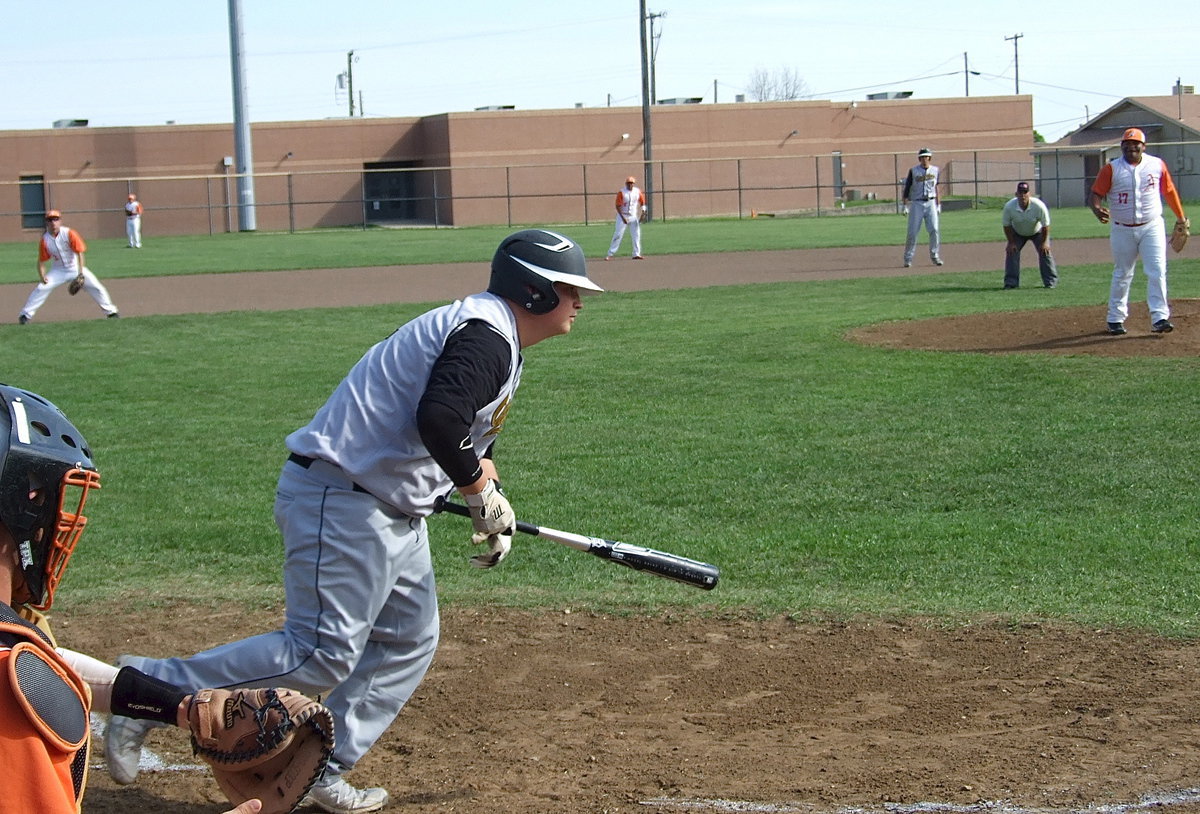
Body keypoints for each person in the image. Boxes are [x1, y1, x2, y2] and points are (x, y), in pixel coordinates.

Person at [106, 228, 604, 813]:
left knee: (407, 640)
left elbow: (468, 439)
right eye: (569, 288)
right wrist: (475, 491)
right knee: (320, 653)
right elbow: (440, 419)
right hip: (344, 500)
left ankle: (320, 765)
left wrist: (490, 497)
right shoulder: (485, 337)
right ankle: (145, 691)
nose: (579, 300)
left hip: (387, 508)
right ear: (534, 290)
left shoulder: (494, 337)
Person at [0, 382, 263, 814]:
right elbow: (25, 675)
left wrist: (179, 706)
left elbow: (46, 664)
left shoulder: (16, 656)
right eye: (44, 499)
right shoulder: (8, 691)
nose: (53, 524)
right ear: (16, 511)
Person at [1090, 127, 1190, 335]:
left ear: (1144, 146)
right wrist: (1097, 209)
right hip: (1122, 228)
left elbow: (1169, 191)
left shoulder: (1156, 164)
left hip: (1151, 226)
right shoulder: (1111, 169)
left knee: (1157, 271)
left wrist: (1180, 217)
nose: (1131, 147)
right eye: (1127, 144)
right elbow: (1096, 193)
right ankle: (1115, 319)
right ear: (1122, 146)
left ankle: (1160, 317)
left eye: (1136, 144)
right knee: (1122, 272)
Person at [18, 210, 120, 324]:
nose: (53, 222)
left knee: (96, 287)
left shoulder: (69, 233)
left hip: (75, 268)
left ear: (60, 221)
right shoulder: (45, 240)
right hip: (58, 270)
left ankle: (111, 312)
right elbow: (41, 261)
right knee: (41, 288)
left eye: (56, 219)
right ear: (46, 222)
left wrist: (81, 273)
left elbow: (80, 253)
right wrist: (42, 276)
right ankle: (25, 315)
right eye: (50, 220)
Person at [1001, 181, 1058, 289]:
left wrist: (1044, 243)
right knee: (1011, 251)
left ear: (1029, 194)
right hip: (1018, 233)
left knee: (1045, 252)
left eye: (1025, 192)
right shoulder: (1009, 207)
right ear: (1016, 194)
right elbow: (1006, 225)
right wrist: (1011, 242)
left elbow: (1045, 225)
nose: (1023, 195)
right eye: (1020, 192)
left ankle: (1050, 282)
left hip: (1037, 232)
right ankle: (1011, 283)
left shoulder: (1039, 206)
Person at [901, 147, 943, 268]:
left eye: (926, 157)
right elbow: (907, 188)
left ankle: (935, 256)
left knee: (934, 229)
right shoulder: (914, 171)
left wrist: (938, 204)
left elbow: (936, 188)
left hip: (931, 202)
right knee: (912, 232)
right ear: (919, 159)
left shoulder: (935, 170)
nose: (925, 159)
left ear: (930, 158)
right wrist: (905, 205)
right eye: (922, 157)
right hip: (917, 203)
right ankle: (908, 258)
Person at [605, 175, 647, 260]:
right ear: (626, 184)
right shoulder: (622, 192)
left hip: (633, 216)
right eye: (628, 183)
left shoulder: (637, 191)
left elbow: (642, 202)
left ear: (634, 184)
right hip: (622, 216)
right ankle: (610, 254)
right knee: (618, 235)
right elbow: (617, 206)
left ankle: (636, 254)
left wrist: (643, 212)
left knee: (636, 235)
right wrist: (623, 218)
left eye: (631, 183)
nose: (630, 184)